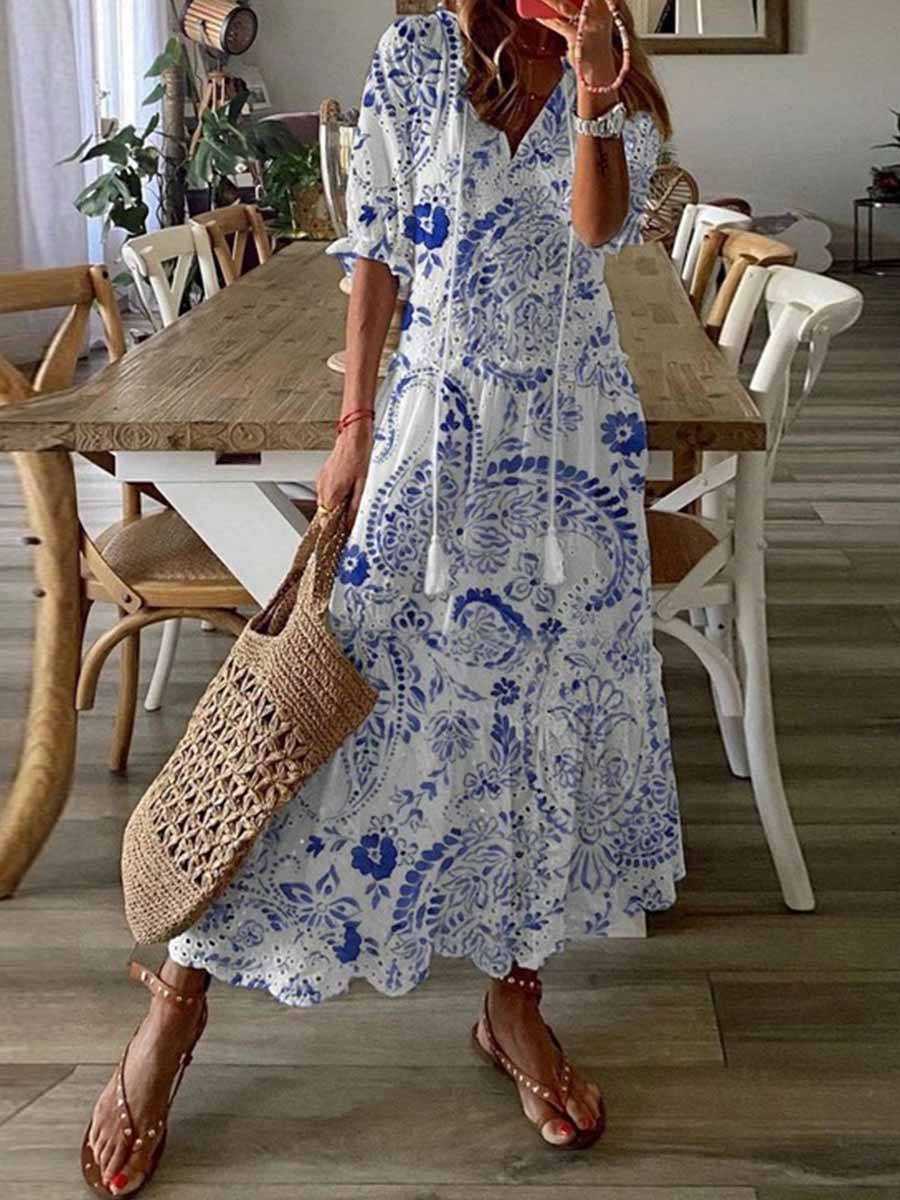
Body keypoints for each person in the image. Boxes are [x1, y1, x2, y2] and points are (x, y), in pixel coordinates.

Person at [83, 1, 684, 1193]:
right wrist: (355, 422)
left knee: (540, 726)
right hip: (431, 429)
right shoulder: (416, 57)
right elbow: (377, 252)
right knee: (315, 712)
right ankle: (180, 997)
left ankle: (514, 1001)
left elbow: (596, 227)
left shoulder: (614, 67)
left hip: (570, 450)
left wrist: (595, 85)